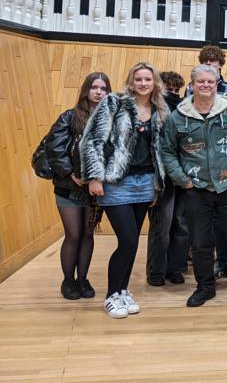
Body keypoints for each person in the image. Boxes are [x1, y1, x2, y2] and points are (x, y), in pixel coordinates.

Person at [161, 64, 227, 309]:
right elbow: (168, 151)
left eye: (210, 81)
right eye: (201, 82)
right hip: (195, 189)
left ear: (217, 84)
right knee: (200, 242)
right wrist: (183, 180)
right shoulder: (178, 116)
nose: (206, 85)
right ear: (192, 85)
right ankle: (205, 286)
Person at [81, 62, 168, 319]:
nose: (143, 83)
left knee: (133, 243)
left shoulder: (161, 109)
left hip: (146, 182)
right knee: (127, 240)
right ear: (131, 81)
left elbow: (161, 149)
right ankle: (111, 295)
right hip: (117, 183)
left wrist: (158, 185)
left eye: (147, 79)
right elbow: (92, 140)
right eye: (138, 79)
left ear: (154, 83)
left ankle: (122, 290)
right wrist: (94, 177)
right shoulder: (114, 103)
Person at [46, 72, 111, 300]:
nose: (99, 92)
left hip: (95, 189)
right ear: (86, 90)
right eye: (94, 87)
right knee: (73, 235)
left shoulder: (111, 119)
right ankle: (68, 280)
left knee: (87, 234)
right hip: (69, 186)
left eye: (103, 88)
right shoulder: (70, 116)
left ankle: (83, 279)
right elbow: (54, 148)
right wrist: (70, 174)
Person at [146, 69, 190, 287]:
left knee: (182, 225)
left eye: (176, 89)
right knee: (161, 226)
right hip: (162, 177)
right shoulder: (153, 110)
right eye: (168, 89)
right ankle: (156, 270)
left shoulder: (184, 108)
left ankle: (176, 268)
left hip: (183, 175)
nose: (172, 92)